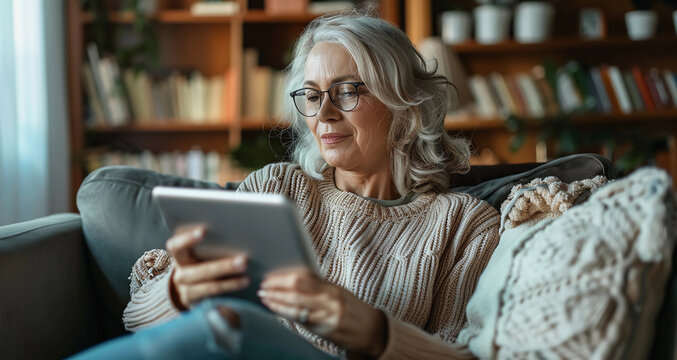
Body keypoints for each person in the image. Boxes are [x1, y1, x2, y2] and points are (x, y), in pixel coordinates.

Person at [71, 12, 500, 360]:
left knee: (226, 326)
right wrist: (178, 291)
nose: (325, 113)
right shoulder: (275, 187)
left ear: (405, 104)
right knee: (219, 324)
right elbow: (138, 319)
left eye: (347, 91)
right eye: (312, 95)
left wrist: (373, 332)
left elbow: (462, 354)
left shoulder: (463, 224)